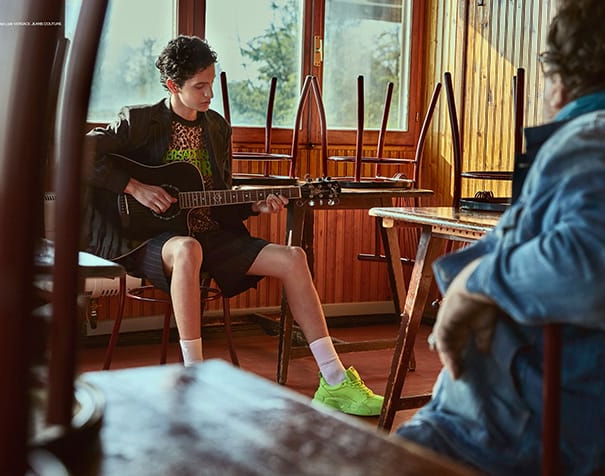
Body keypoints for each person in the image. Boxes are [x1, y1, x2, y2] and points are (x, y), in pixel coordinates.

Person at [396, 0, 605, 474]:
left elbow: (603, 272)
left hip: (528, 436)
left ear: (559, 79)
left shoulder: (604, 143)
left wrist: (478, 282)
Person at [84, 35, 383, 417]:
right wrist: (133, 187)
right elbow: (76, 152)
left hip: (209, 233)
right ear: (173, 85)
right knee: (188, 249)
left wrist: (255, 206)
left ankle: (334, 380)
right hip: (146, 238)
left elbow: (220, 199)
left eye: (211, 82)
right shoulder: (140, 121)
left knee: (293, 258)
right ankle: (196, 379)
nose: (210, 94)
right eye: (200, 86)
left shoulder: (217, 128)